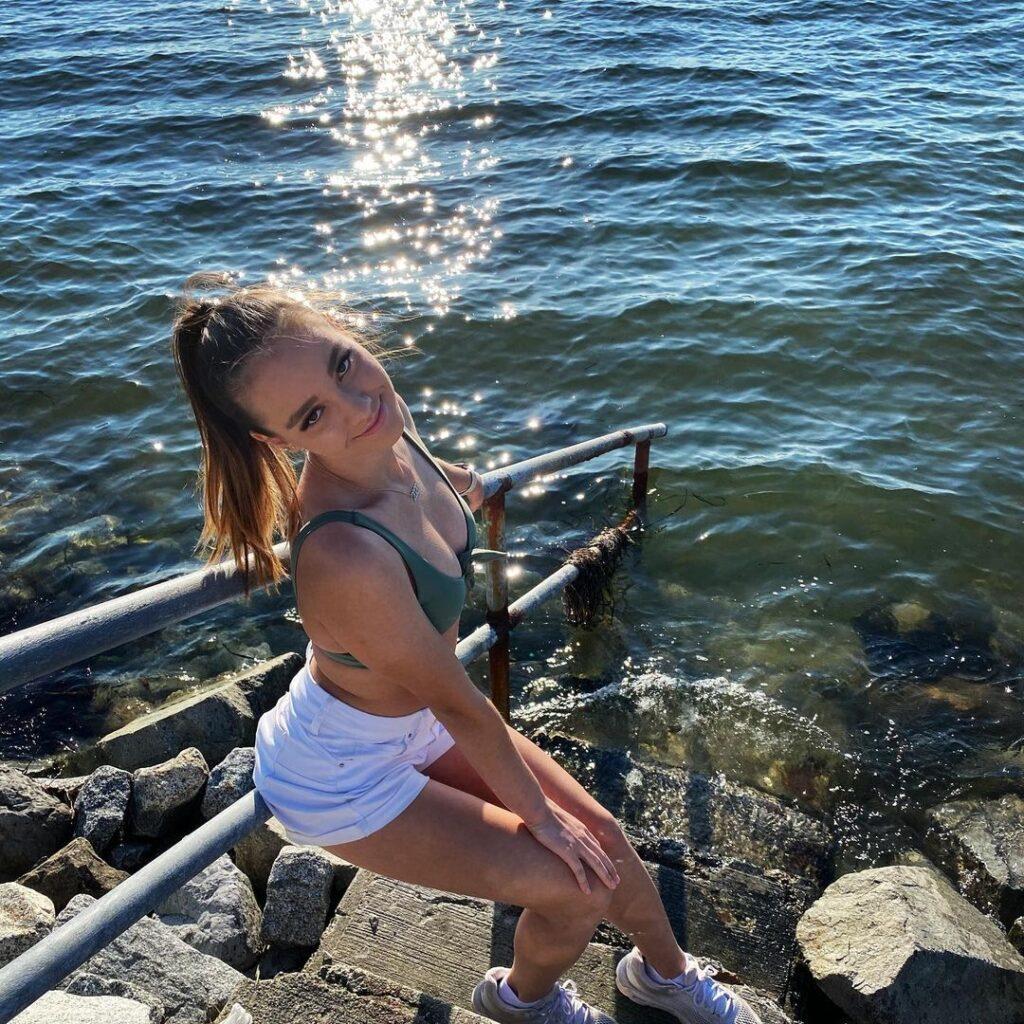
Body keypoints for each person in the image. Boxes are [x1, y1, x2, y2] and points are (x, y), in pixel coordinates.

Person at [169, 271, 761, 1024]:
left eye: (343, 362)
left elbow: (414, 477)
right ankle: (521, 1000)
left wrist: (458, 485)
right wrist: (542, 823)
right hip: (344, 771)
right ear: (275, 441)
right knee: (578, 882)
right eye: (314, 414)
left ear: (346, 333)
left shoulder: (387, 424)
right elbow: (457, 698)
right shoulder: (346, 556)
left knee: (606, 842)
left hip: (416, 718)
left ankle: (665, 977)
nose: (357, 405)